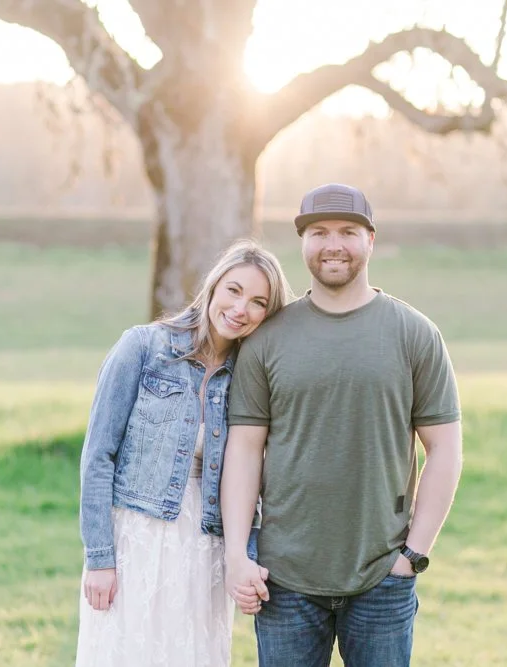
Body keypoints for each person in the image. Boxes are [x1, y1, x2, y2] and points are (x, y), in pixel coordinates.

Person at [221, 183, 464, 666]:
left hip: (382, 577)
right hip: (284, 579)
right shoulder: (267, 338)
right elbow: (244, 451)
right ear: (303, 243)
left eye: (348, 231)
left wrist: (412, 556)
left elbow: (446, 450)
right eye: (319, 232)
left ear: (370, 241)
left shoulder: (414, 333)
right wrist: (236, 556)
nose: (333, 244)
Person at [73, 239, 292, 667]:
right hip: (135, 538)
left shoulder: (250, 377)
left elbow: (250, 476)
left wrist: (244, 554)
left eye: (258, 302)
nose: (240, 308)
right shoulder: (142, 348)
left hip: (205, 544)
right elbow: (98, 456)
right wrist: (99, 558)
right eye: (234, 290)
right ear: (213, 286)